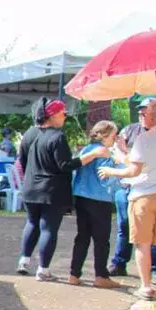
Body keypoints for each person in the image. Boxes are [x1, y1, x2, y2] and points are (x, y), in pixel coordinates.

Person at [16, 98, 108, 280]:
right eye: (63, 113)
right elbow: (65, 165)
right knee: (48, 228)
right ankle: (43, 269)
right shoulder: (57, 137)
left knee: (32, 223)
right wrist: (91, 155)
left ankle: (24, 261)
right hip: (51, 190)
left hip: (30, 187)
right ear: (52, 115)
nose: (65, 116)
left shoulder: (30, 134)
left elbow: (23, 161)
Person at [99, 100, 156, 300]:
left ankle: (146, 286)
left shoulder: (144, 138)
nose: (142, 116)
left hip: (142, 196)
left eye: (145, 113)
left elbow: (134, 170)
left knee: (142, 243)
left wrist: (111, 170)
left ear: (153, 115)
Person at [109, 98, 156, 284]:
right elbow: (116, 150)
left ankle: (155, 270)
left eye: (146, 112)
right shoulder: (130, 130)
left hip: (151, 189)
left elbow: (131, 160)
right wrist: (124, 153)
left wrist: (126, 154)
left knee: (154, 233)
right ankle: (119, 262)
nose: (142, 115)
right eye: (140, 112)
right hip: (126, 186)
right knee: (124, 227)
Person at [68, 121, 121, 288]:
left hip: (81, 196)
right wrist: (121, 176)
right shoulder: (104, 152)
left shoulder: (86, 149)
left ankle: (74, 274)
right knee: (101, 239)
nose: (115, 138)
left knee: (82, 237)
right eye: (114, 135)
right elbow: (105, 177)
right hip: (99, 198)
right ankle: (101, 275)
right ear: (104, 135)